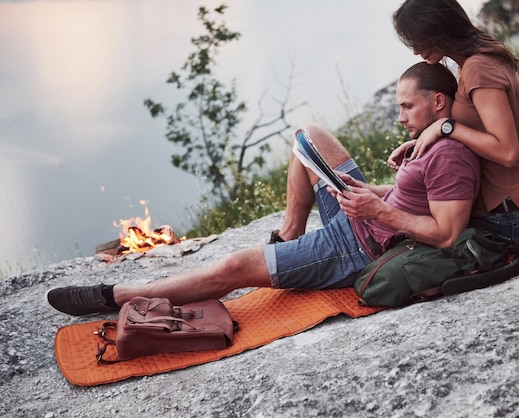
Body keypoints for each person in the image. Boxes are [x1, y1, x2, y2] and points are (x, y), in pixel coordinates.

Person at [46, 62, 481, 316]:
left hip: (361, 247)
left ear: (438, 102)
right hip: (364, 214)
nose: (400, 116)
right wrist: (367, 192)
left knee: (235, 266)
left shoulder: (451, 156)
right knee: (307, 137)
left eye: (407, 106)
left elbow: (444, 233)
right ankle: (289, 235)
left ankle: (116, 296)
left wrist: (377, 211)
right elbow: (416, 194)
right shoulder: (436, 138)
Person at [389, 0, 519, 249]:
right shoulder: (477, 57)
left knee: (423, 227)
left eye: (419, 40)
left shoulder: (478, 68)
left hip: (517, 219)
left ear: (439, 30)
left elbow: (507, 152)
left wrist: (446, 126)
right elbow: (484, 127)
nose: (415, 50)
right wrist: (427, 141)